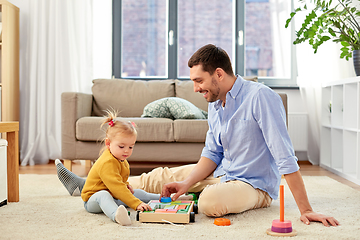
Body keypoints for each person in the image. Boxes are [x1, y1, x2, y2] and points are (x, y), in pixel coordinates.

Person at [57, 44, 339, 227]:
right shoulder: (216, 105)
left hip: (253, 185)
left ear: (218, 74)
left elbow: (284, 156)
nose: (195, 88)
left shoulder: (261, 98)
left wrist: (306, 208)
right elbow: (212, 154)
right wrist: (186, 183)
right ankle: (90, 185)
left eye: (198, 81)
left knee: (209, 203)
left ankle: (100, 188)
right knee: (161, 178)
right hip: (222, 172)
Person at [60, 110, 160, 225]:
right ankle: (116, 215)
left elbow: (120, 180)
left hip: (113, 196)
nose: (127, 151)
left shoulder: (121, 159)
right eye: (121, 146)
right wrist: (136, 204)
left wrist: (127, 185)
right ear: (108, 143)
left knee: (138, 193)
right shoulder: (107, 162)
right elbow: (116, 187)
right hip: (93, 200)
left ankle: (163, 197)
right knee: (104, 195)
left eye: (131, 147)